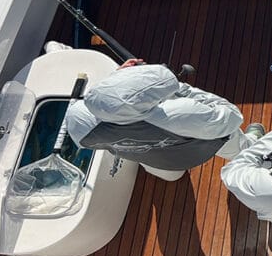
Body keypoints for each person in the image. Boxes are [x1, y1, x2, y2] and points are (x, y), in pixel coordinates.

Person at [65, 59, 261, 181]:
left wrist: (118, 77)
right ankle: (250, 149)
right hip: (192, 151)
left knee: (166, 171)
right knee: (231, 139)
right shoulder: (179, 113)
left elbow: (108, 101)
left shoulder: (77, 120)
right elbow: (231, 116)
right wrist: (183, 90)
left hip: (152, 159)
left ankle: (173, 176)